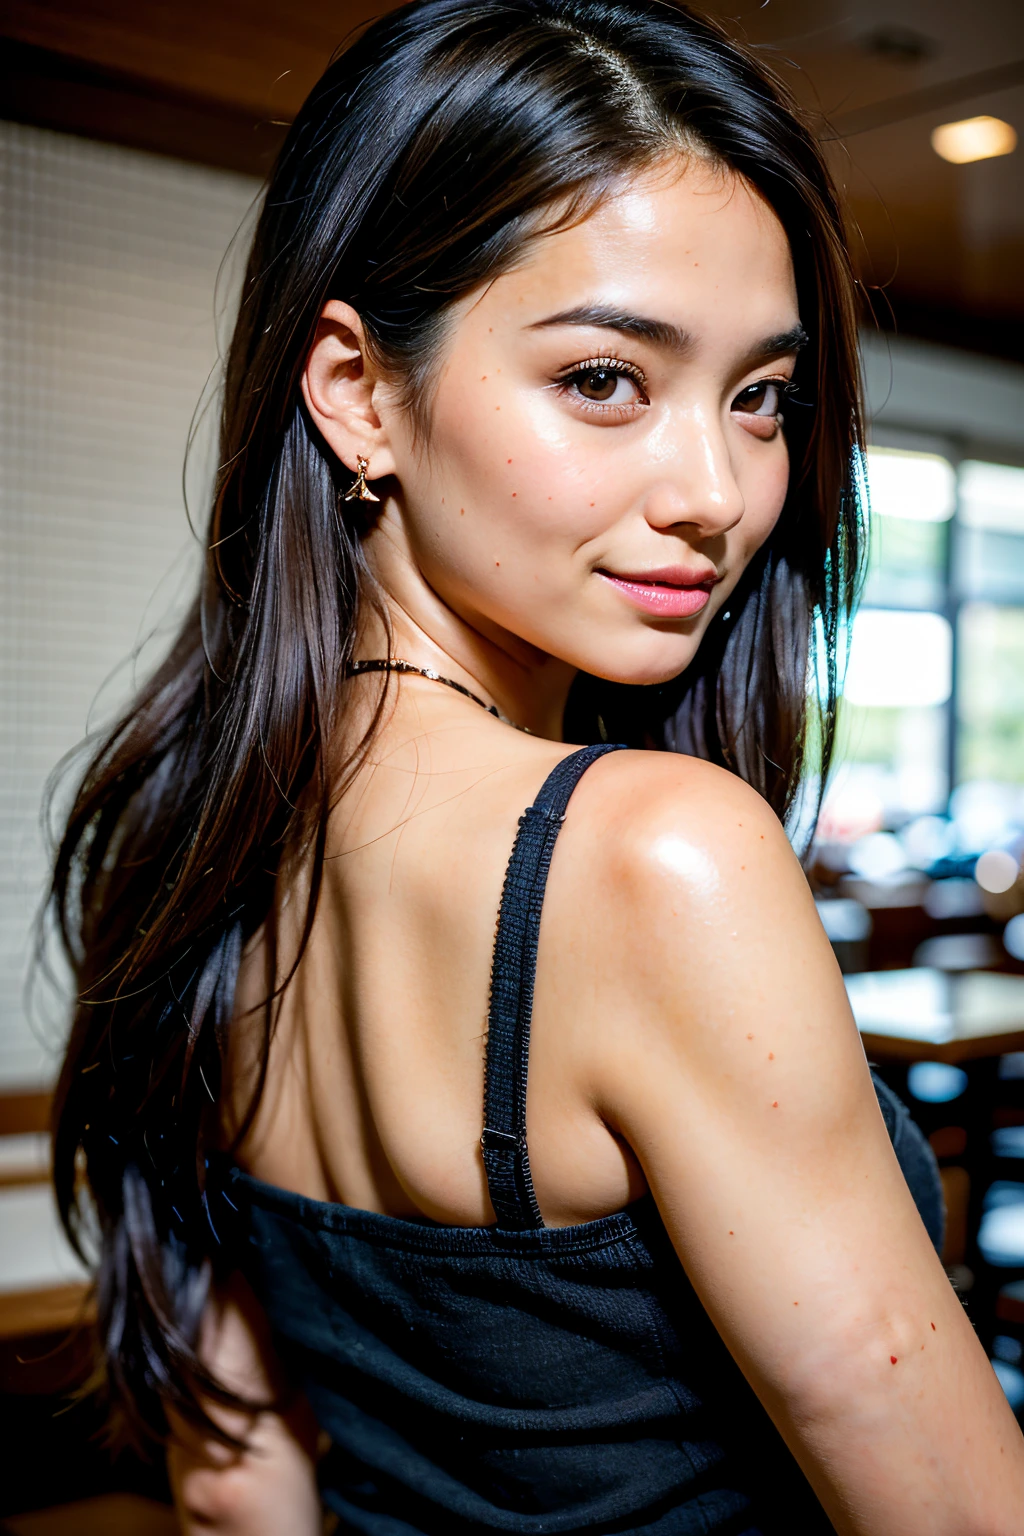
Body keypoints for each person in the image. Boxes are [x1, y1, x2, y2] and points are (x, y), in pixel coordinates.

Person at [49, 1, 1024, 1531]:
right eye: (603, 381)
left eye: (760, 398)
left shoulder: (191, 845)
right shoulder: (657, 856)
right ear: (358, 391)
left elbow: (240, 1490)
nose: (718, 492)